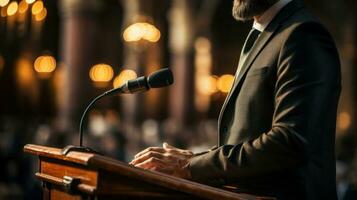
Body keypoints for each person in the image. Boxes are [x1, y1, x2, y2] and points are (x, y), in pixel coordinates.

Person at [130, 0, 341, 199]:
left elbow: (289, 142)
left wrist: (191, 166)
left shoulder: (303, 35)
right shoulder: (266, 33)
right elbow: (246, 138)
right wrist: (194, 159)